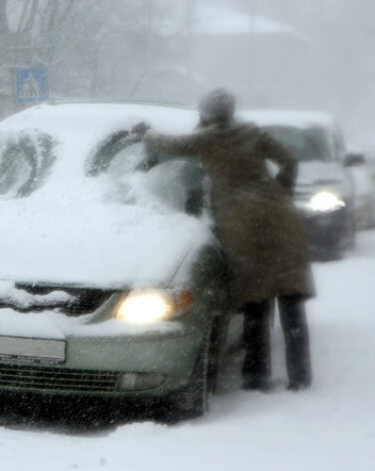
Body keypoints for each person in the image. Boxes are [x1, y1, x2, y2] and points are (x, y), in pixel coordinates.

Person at [133, 88, 314, 391]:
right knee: (292, 302)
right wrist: (282, 192)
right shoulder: (252, 133)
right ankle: (300, 377)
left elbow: (169, 143)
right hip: (283, 221)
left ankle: (257, 376)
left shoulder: (208, 138)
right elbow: (290, 161)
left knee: (257, 305)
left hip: (246, 226)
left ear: (206, 113)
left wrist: (145, 133)